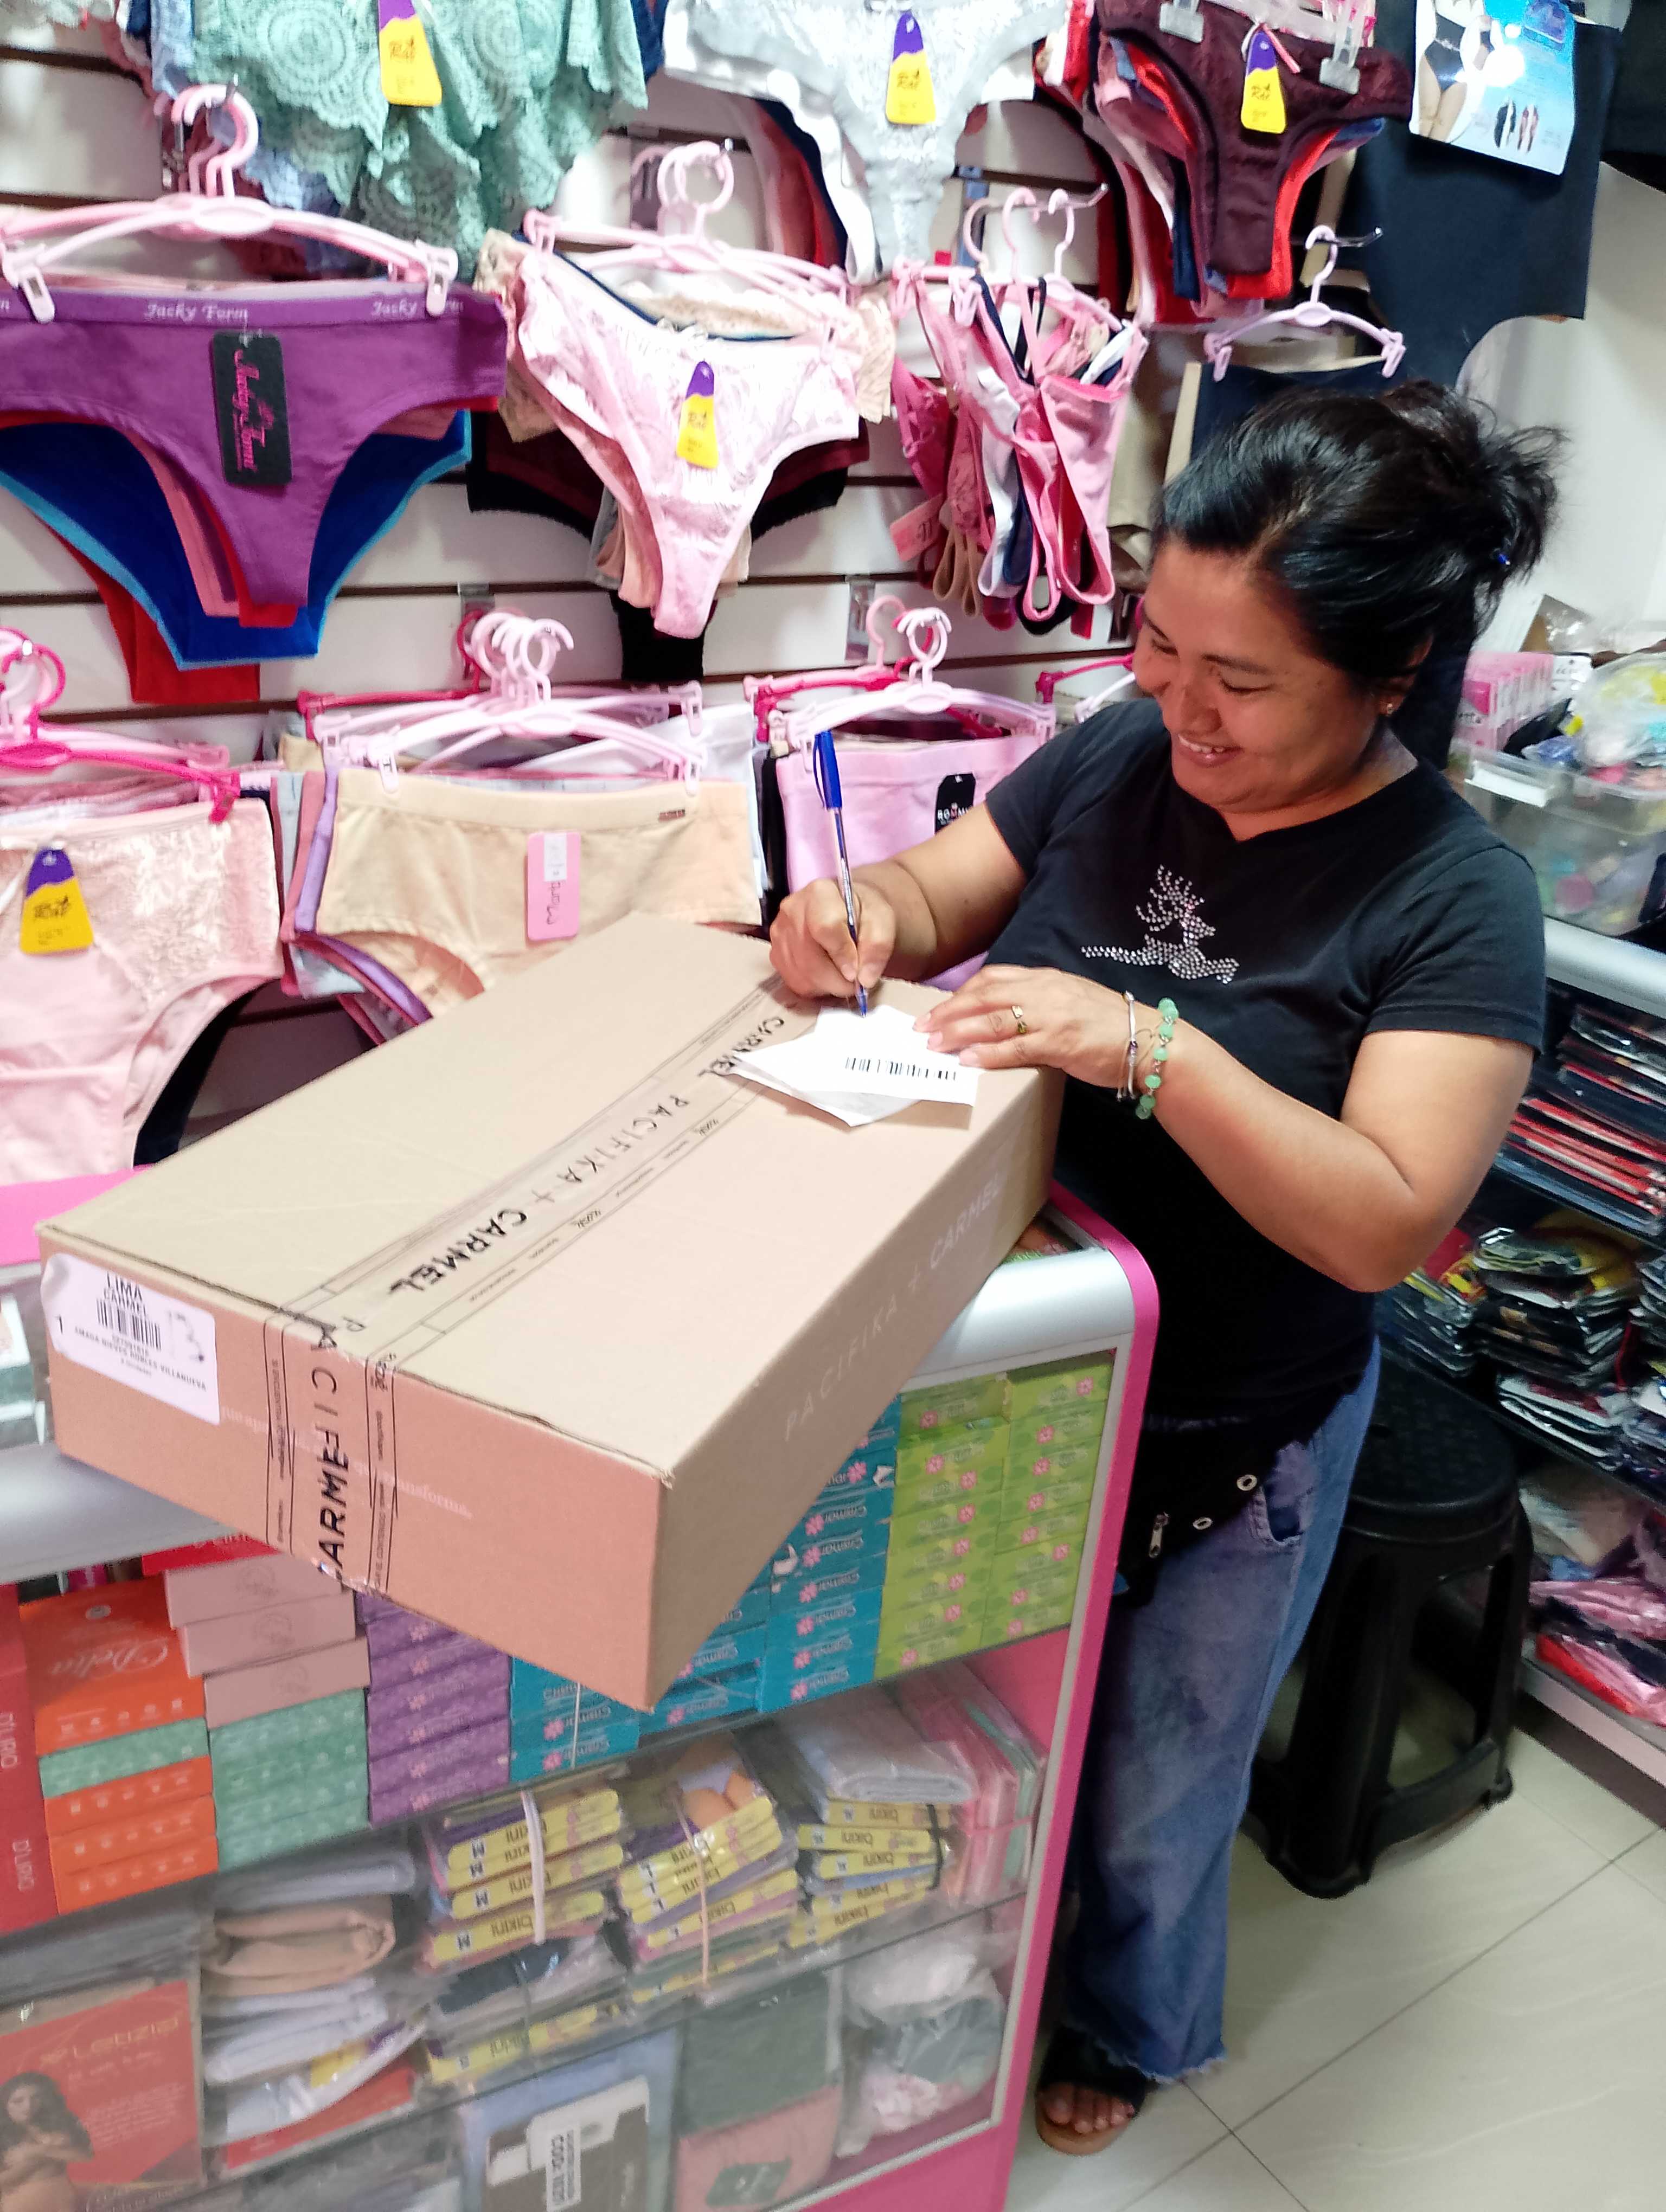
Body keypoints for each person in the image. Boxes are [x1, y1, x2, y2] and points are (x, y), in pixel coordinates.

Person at [770, 382, 1557, 2153]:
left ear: (1392, 671)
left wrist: (1149, 1048)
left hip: (1237, 1419)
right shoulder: (1121, 752)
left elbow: (1384, 1218)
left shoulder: (1455, 897)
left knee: (1157, 1778)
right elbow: (941, 890)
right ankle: (943, 1981)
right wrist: (863, 915)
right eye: (1157, 644)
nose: (1177, 704)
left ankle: (1125, 2028)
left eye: (1240, 681)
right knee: (966, 1716)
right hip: (1019, 1358)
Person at [0, 2076, 90, 2212]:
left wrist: (37, 2151)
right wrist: (44, 2157)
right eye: (18, 2101)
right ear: (4, 2105)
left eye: (36, 2098)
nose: (28, 2106)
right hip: (20, 2204)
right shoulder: (3, 2136)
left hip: (61, 2200)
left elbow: (85, 2157)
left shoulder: (58, 2125)